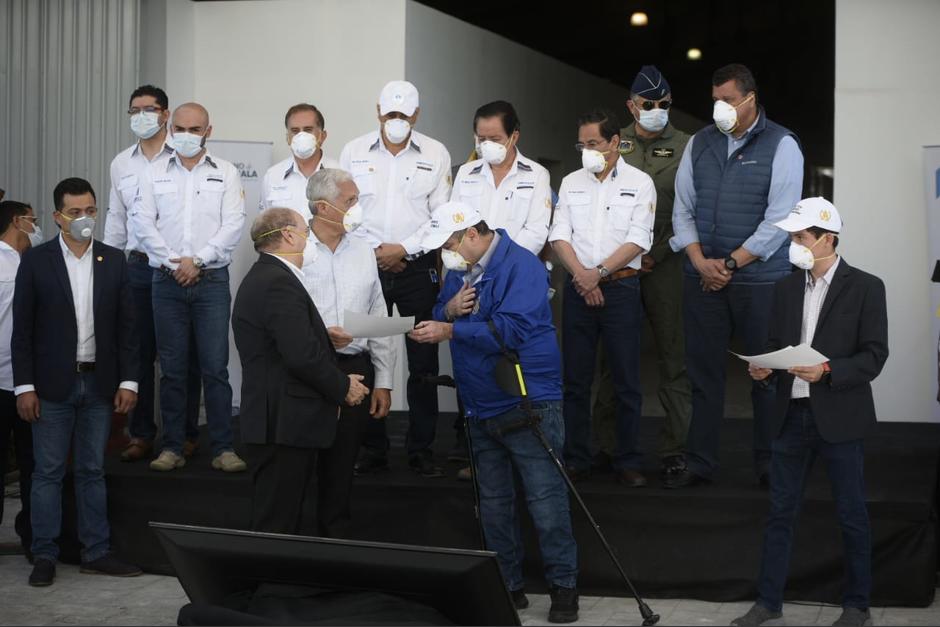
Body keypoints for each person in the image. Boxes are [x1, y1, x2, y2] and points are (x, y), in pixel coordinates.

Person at [410, 201, 579, 624]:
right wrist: (445, 313)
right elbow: (442, 313)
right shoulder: (458, 270)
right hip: (479, 402)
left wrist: (451, 328)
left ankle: (564, 587)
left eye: (449, 243)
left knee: (545, 498)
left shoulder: (521, 265)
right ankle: (508, 585)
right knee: (493, 502)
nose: (445, 254)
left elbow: (515, 327)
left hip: (526, 397)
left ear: (471, 233)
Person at [731, 198, 888, 627]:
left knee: (851, 513)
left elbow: (874, 356)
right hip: (790, 417)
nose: (793, 245)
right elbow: (774, 347)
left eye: (800, 237)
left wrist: (828, 370)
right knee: (780, 511)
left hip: (839, 415)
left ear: (827, 239)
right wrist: (762, 369)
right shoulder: (783, 288)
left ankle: (857, 606)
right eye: (792, 237)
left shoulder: (866, 287)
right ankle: (768, 602)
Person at [666, 63, 804, 489]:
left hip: (760, 281)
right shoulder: (700, 143)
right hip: (703, 276)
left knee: (765, 374)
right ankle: (701, 460)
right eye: (715, 99)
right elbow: (682, 208)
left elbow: (780, 219)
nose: (719, 108)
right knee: (703, 374)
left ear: (750, 98)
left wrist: (728, 264)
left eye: (727, 99)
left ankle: (770, 462)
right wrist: (698, 259)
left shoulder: (782, 144)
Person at [13, 177, 142, 586]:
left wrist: (130, 381)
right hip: (51, 387)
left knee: (91, 471)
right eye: (75, 212)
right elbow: (23, 330)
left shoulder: (113, 260)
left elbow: (128, 329)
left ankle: (96, 551)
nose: (84, 219)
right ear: (57, 217)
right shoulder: (36, 261)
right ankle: (45, 555)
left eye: (90, 210)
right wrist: (24, 387)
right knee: (48, 473)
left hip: (100, 384)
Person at [232, 207, 369, 535]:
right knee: (277, 519)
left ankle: (274, 583)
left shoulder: (267, 277)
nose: (308, 239)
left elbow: (285, 344)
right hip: (282, 423)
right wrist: (342, 386)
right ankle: (270, 585)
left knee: (279, 514)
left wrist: (323, 338)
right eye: (305, 231)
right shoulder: (278, 282)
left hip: (281, 421)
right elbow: (300, 356)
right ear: (289, 236)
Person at [339, 80, 452, 477]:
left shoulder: (436, 153)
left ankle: (421, 450)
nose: (396, 122)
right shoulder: (353, 151)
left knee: (422, 361)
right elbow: (347, 211)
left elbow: (441, 216)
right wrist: (379, 252)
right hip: (366, 267)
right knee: (368, 353)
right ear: (378, 112)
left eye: (404, 116)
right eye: (390, 115)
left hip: (415, 270)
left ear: (416, 116)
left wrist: (402, 249)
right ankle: (372, 447)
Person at [132, 102, 247, 473]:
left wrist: (195, 261)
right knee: (173, 370)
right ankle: (172, 447)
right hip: (165, 281)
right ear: (169, 129)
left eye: (194, 129)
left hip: (211, 280)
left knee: (215, 368)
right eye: (179, 128)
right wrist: (174, 262)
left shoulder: (226, 172)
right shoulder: (153, 173)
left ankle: (223, 447)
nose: (185, 135)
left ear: (208, 132)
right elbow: (143, 224)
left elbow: (234, 224)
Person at [592, 66, 693, 482]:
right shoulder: (614, 144)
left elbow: (693, 207)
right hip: (619, 268)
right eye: (649, 105)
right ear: (631, 106)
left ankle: (676, 447)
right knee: (614, 358)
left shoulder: (689, 146)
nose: (657, 111)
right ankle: (607, 445)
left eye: (664, 104)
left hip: (665, 265)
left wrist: (659, 251)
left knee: (674, 357)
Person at [549, 109, 656, 487]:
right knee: (575, 379)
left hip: (621, 288)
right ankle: (576, 457)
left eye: (593, 143)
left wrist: (600, 274)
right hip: (579, 290)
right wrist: (583, 276)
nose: (587, 150)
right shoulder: (571, 182)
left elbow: (639, 238)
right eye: (582, 144)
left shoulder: (640, 182)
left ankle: (626, 458)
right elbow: (558, 234)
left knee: (625, 379)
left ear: (614, 142)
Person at [103, 84, 202, 463]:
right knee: (138, 353)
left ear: (166, 114)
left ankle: (186, 434)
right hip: (138, 268)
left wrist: (187, 263)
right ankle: (142, 433)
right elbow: (117, 216)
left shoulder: (185, 153)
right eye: (135, 110)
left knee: (183, 357)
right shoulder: (121, 163)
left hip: (182, 269)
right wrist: (111, 264)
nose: (142, 115)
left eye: (149, 108)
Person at [304, 168, 395, 536]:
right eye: (350, 201)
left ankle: (335, 543)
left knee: (342, 467)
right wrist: (322, 338)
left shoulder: (362, 249)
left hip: (356, 370)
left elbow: (379, 315)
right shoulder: (297, 250)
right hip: (308, 371)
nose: (357, 208)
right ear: (324, 207)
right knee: (304, 464)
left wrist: (384, 380)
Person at [451, 100, 551, 256]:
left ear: (514, 137)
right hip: (469, 265)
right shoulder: (466, 172)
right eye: (482, 139)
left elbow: (535, 232)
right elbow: (453, 221)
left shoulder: (537, 175)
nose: (487, 145)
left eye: (495, 139)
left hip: (512, 268)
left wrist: (498, 260)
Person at [0, 200, 40, 560]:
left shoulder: (26, 262)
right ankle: (31, 540)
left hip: (20, 380)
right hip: (14, 379)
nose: (36, 227)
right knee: (30, 466)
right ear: (18, 222)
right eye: (33, 220)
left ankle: (32, 538)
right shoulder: (14, 264)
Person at [260, 103, 339, 215]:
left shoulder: (340, 174)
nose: (301, 136)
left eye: (308, 130)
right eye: (295, 131)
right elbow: (266, 222)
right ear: (288, 138)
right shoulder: (273, 176)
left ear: (323, 136)